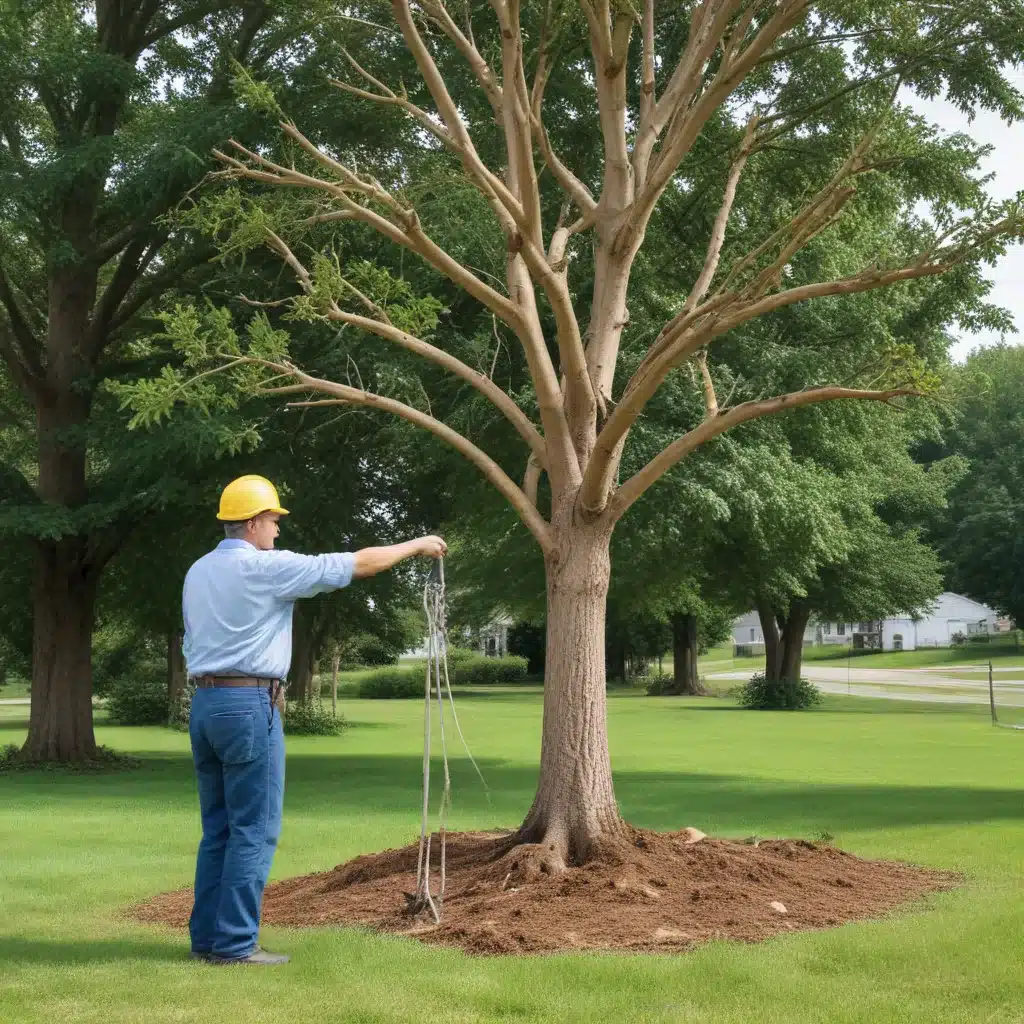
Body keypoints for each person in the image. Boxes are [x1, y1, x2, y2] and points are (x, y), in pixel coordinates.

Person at [182, 474, 445, 966]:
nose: (278, 530)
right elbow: (355, 564)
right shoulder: (266, 568)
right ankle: (236, 944)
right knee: (253, 829)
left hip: (205, 705)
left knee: (218, 828)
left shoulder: (198, 571)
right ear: (254, 521)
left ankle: (207, 939)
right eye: (274, 521)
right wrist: (416, 545)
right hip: (247, 704)